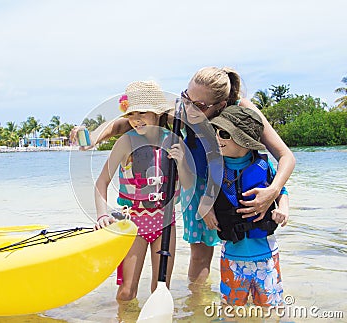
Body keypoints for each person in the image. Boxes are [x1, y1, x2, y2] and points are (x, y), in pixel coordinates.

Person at [82, 66, 296, 283]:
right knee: (200, 255)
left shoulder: (242, 111)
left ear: (221, 105)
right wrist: (94, 137)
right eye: (186, 96)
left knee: (245, 243)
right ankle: (197, 306)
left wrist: (273, 191)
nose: (188, 107)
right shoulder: (183, 108)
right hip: (198, 184)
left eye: (199, 105)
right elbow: (125, 122)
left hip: (233, 182)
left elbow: (285, 156)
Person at [94, 80, 194, 301]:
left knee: (161, 290)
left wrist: (181, 163)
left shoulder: (174, 141)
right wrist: (102, 214)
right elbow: (101, 182)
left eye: (142, 113)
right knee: (127, 291)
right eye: (131, 114)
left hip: (166, 222)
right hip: (133, 224)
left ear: (157, 114)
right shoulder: (126, 143)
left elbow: (188, 185)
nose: (136, 120)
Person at [208, 104, 288, 307]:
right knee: (231, 307)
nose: (218, 138)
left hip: (266, 256)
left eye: (224, 134)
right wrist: (206, 210)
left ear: (244, 140)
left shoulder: (263, 165)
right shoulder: (216, 168)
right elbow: (204, 192)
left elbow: (282, 191)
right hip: (232, 256)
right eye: (216, 132)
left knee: (270, 307)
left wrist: (283, 209)